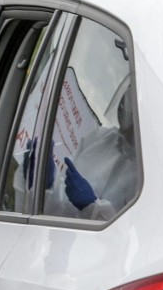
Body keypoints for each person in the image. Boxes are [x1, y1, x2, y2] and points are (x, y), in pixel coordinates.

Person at [45, 87, 138, 221]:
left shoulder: (148, 178)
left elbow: (131, 237)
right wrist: (47, 183)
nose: (124, 106)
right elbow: (56, 203)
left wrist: (93, 209)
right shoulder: (99, 138)